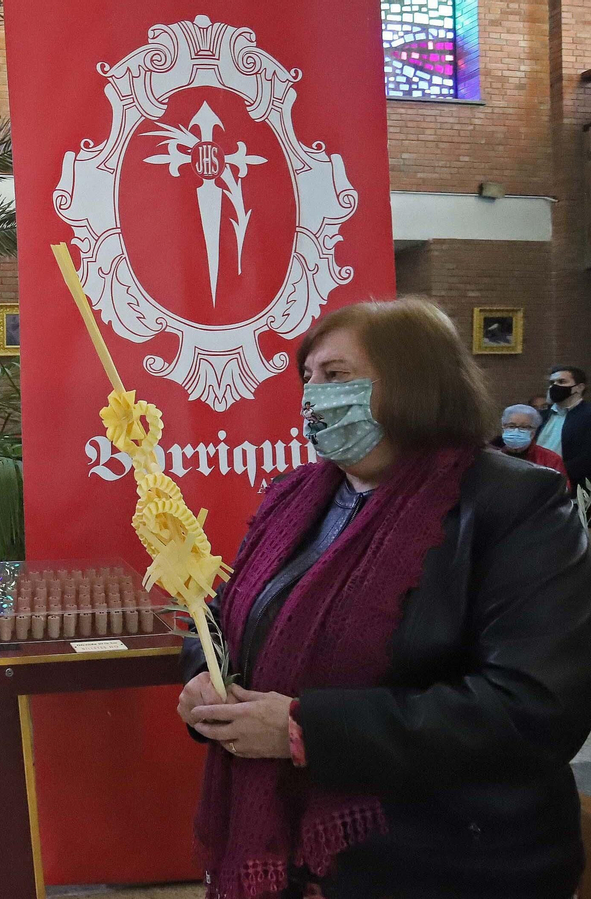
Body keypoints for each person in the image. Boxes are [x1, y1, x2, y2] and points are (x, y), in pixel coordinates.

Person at [179, 299, 591, 898]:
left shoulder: (514, 504)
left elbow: (532, 707)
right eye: (308, 378)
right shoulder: (295, 496)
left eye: (336, 376)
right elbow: (223, 616)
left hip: (450, 860)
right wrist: (203, 679)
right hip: (296, 858)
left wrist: (306, 730)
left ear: (413, 382)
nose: (311, 396)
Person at [537, 365, 591, 491]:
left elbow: (586, 457)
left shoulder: (587, 415)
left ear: (579, 388)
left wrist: (558, 473)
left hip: (571, 485)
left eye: (561, 382)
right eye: (552, 383)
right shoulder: (542, 415)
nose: (554, 386)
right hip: (537, 480)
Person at [493, 403, 567, 481]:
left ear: (533, 432)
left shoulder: (550, 460)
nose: (516, 430)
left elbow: (562, 488)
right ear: (503, 429)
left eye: (524, 427)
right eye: (511, 426)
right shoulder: (492, 458)